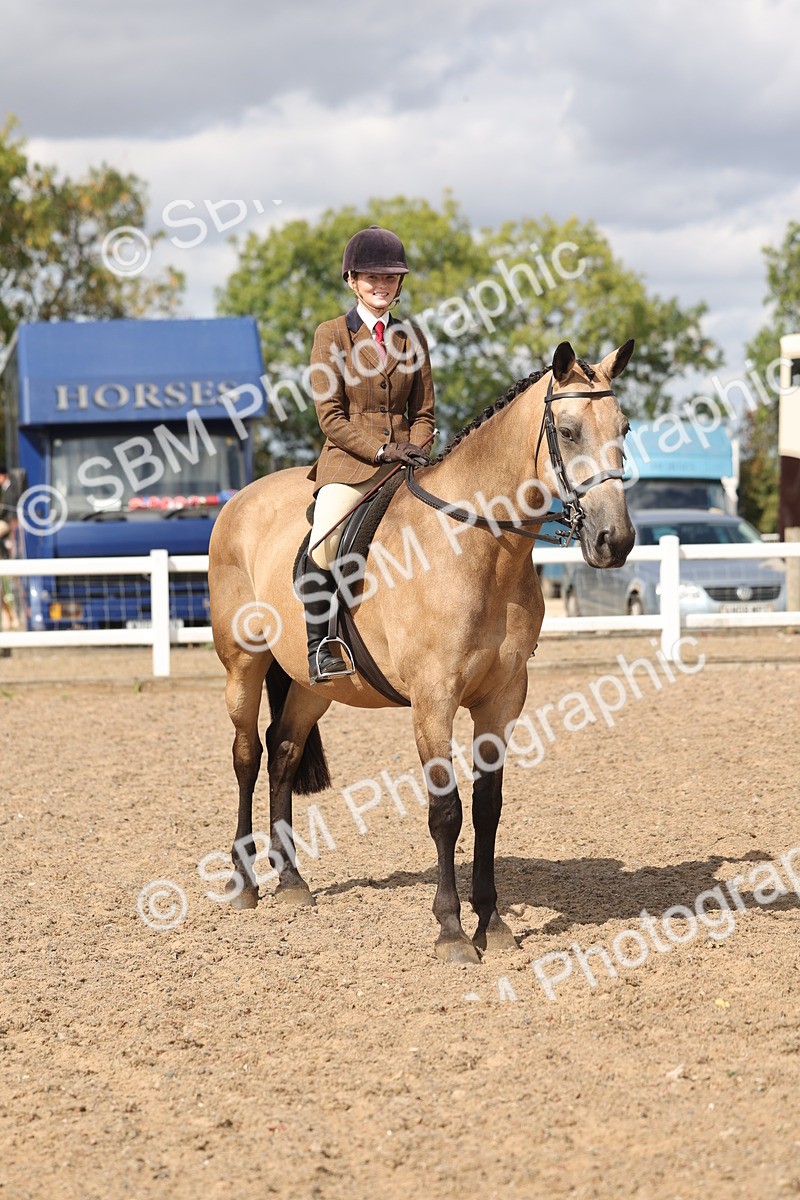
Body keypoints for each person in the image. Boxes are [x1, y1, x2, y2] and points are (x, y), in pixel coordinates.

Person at [302, 225, 436, 684]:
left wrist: (415, 449)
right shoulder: (332, 335)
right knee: (326, 540)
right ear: (352, 280)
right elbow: (330, 416)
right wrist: (380, 449)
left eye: (390, 278)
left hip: (407, 464)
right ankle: (321, 645)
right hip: (351, 464)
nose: (382, 285)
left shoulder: (412, 338)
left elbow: (424, 413)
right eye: (372, 277)